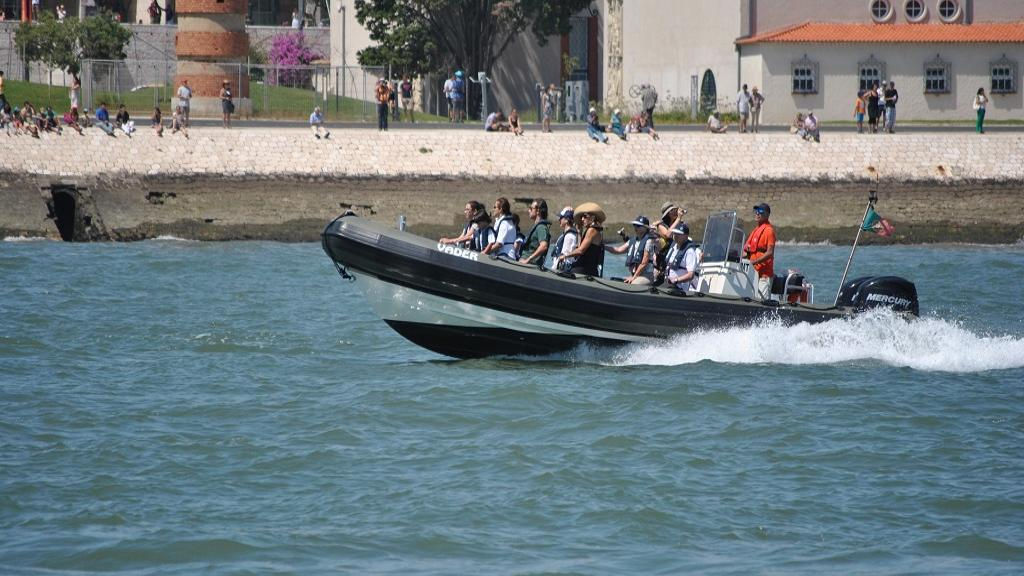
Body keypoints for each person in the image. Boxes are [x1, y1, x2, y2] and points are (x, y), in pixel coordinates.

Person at [605, 215, 657, 285]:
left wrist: (634, 277)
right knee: (615, 280)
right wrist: (603, 246)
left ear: (645, 228)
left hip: (646, 276)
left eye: (638, 226)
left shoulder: (649, 241)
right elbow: (618, 250)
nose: (635, 227)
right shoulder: (632, 241)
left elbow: (644, 263)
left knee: (633, 284)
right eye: (634, 225)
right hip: (635, 275)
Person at [559, 203, 605, 277]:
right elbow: (581, 248)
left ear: (593, 218)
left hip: (585, 269)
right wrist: (579, 233)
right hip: (588, 268)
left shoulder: (592, 230)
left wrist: (565, 255)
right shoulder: (595, 230)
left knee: (566, 272)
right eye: (581, 217)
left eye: (585, 216)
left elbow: (580, 251)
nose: (582, 219)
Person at [744, 203, 776, 301]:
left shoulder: (769, 231)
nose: (757, 214)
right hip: (752, 274)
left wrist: (754, 262)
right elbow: (746, 252)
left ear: (767, 214)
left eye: (760, 211)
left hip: (764, 275)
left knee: (762, 302)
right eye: (756, 211)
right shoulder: (755, 231)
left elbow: (770, 252)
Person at [665, 223, 700, 291]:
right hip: (668, 284)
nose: (675, 236)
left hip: (679, 287)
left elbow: (690, 275)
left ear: (686, 236)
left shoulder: (689, 251)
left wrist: (676, 280)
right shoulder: (674, 247)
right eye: (675, 233)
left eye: (679, 234)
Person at [519, 198, 551, 265]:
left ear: (538, 211)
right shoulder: (537, 226)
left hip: (530, 265)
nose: (529, 211)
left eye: (531, 208)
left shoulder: (541, 227)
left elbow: (543, 246)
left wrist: (528, 259)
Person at [550, 207, 579, 271]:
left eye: (561, 217)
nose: (559, 220)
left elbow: (564, 257)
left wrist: (554, 269)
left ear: (566, 220)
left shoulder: (569, 236)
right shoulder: (565, 234)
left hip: (562, 270)